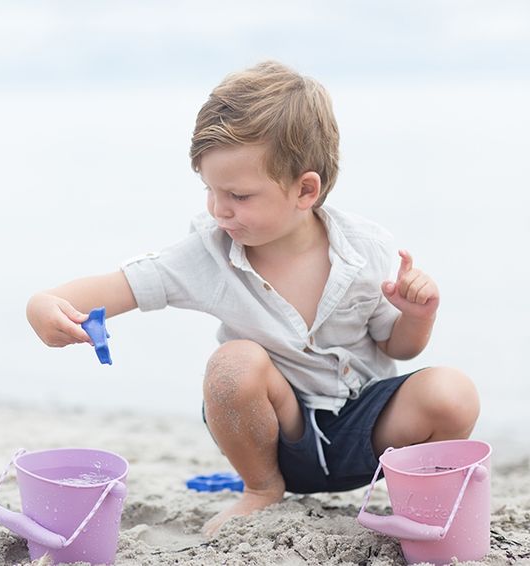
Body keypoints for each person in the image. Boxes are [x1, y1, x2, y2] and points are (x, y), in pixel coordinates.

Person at [25, 60, 480, 537]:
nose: (220, 209)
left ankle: (417, 496)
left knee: (453, 393)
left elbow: (398, 348)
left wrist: (418, 315)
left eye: (238, 195)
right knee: (233, 364)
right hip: (275, 441)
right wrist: (44, 304)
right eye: (210, 189)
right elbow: (114, 287)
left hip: (368, 435)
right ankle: (261, 492)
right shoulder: (209, 254)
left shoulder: (365, 249)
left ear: (305, 190)